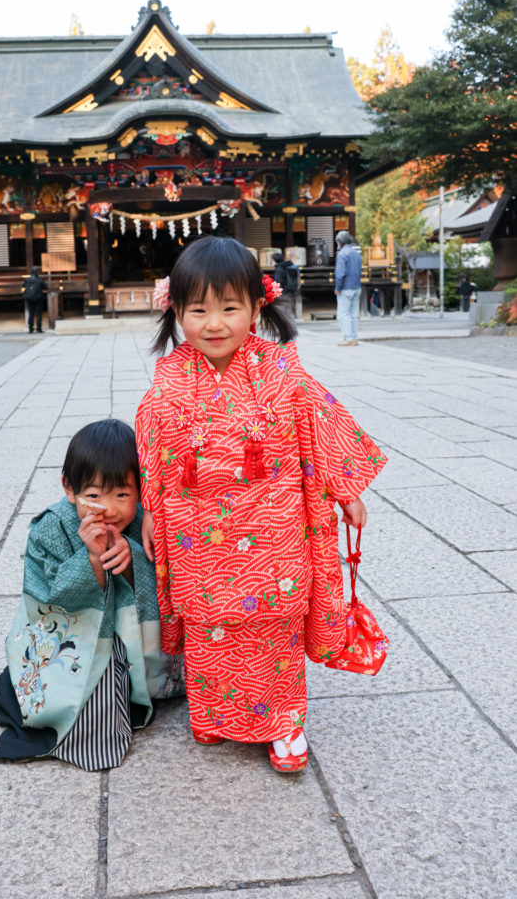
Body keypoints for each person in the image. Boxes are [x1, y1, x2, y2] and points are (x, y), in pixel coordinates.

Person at [135, 237, 387, 773]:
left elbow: (321, 427)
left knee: (273, 625)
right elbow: (152, 445)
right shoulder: (168, 378)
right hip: (195, 530)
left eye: (230, 307)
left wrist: (348, 490)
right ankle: (214, 714)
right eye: (198, 310)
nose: (215, 323)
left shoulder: (281, 370)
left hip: (272, 529)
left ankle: (283, 722)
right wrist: (153, 513)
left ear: (257, 304)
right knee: (210, 624)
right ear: (176, 311)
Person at [0, 419, 183, 768]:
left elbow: (170, 584)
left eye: (122, 495)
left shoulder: (146, 523)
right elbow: (47, 600)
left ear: (140, 490)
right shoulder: (50, 528)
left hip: (133, 640)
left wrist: (132, 560)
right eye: (93, 496)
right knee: (91, 685)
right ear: (69, 488)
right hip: (80, 640)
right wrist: (93, 559)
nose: (108, 509)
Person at [334, 231, 362, 345]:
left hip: (345, 287)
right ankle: (353, 337)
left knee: (343, 314)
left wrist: (337, 287)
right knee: (353, 314)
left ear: (340, 242)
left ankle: (349, 338)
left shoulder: (342, 254)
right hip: (356, 286)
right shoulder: (356, 254)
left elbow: (340, 273)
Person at [22, 265, 47, 333]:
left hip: (29, 298)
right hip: (38, 298)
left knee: (31, 313)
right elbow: (45, 287)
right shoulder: (40, 280)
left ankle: (30, 328)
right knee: (39, 314)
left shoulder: (27, 280)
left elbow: (23, 286)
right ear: (37, 272)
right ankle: (39, 328)